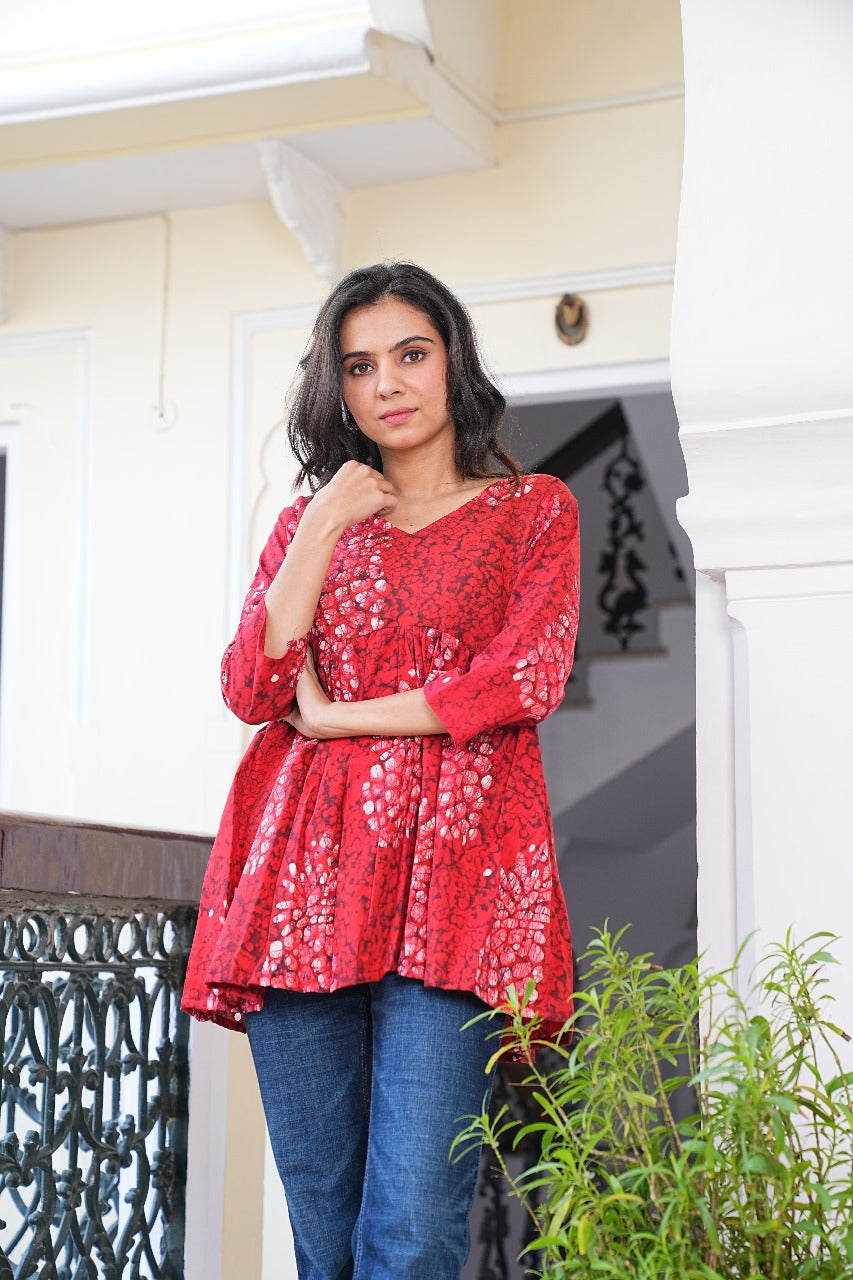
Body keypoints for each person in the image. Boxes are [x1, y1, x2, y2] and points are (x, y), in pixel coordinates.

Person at [181, 261, 580, 1280]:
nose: (388, 383)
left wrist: (333, 713)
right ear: (339, 388)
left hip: (454, 894)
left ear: (453, 363)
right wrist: (318, 523)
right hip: (298, 894)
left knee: (409, 1233)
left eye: (411, 354)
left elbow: (517, 679)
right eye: (360, 366)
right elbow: (249, 681)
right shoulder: (306, 527)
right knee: (324, 1230)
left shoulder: (532, 511)